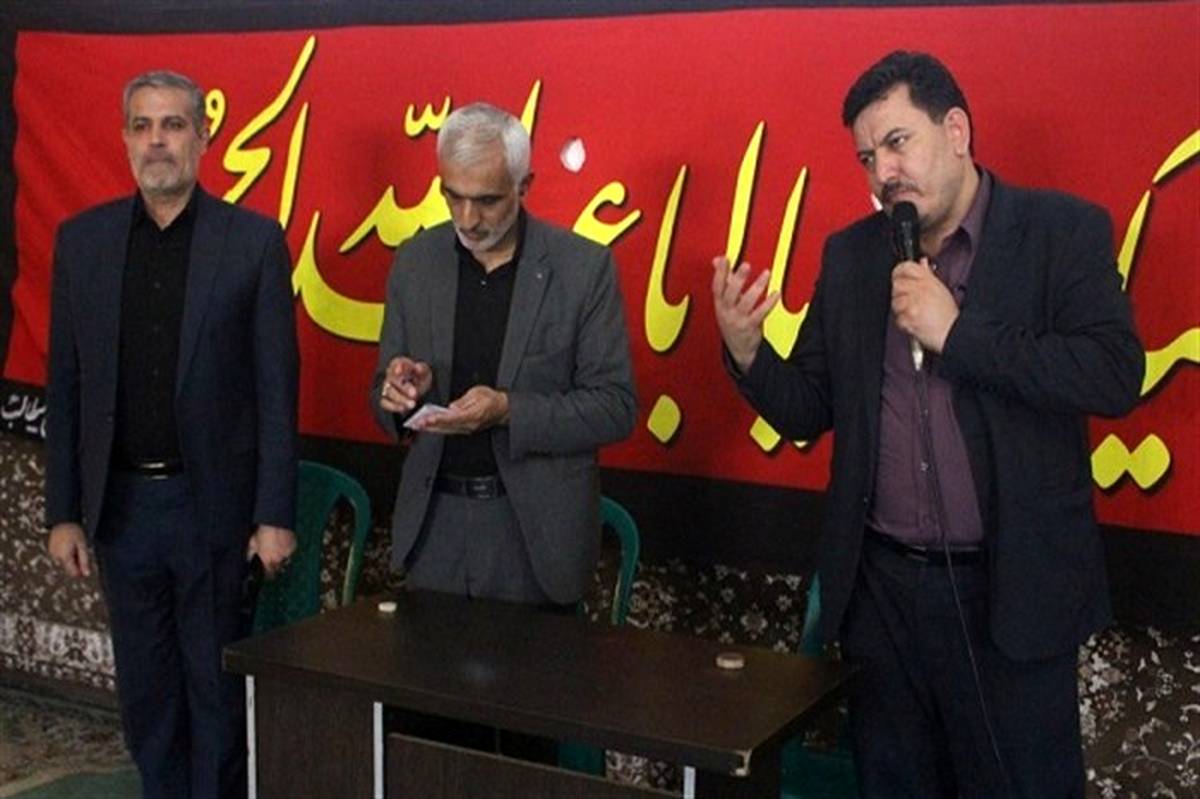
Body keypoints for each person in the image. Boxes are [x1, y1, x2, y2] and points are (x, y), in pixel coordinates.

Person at [712, 51, 1143, 797]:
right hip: (882, 597)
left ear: (956, 131)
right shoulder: (853, 256)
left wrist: (959, 334)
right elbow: (809, 406)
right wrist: (749, 354)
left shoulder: (1059, 232)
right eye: (866, 157)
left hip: (1011, 593)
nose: (883, 173)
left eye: (897, 143)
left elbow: (1113, 373)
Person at [44, 70, 299, 799]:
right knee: (148, 694)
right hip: (122, 511)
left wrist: (274, 515)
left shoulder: (251, 243)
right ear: (125, 139)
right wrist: (64, 512)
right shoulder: (82, 242)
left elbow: (277, 389)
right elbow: (67, 385)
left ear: (203, 138)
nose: (157, 140)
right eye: (143, 125)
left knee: (214, 695)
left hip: (212, 510)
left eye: (174, 124)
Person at [373, 102, 636, 610]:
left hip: (534, 536)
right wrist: (401, 394)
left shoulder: (582, 270)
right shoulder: (416, 261)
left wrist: (509, 409)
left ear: (525, 185)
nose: (467, 219)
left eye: (487, 201)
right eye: (453, 197)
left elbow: (615, 407)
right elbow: (382, 394)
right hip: (434, 529)